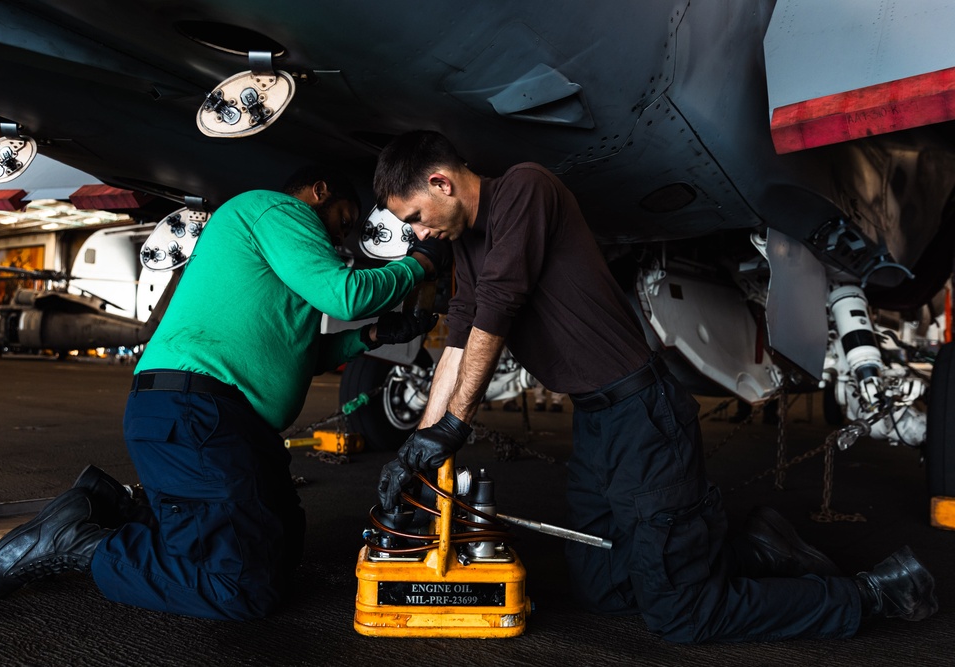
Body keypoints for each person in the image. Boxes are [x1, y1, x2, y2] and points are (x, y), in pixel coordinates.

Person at [372, 130, 938, 644]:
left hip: (644, 417)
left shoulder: (524, 189)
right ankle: (757, 550)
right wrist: (419, 445)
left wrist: (453, 426)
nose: (420, 233)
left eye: (417, 216)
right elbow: (461, 335)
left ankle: (873, 594)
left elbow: (498, 310)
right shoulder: (468, 243)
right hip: (596, 423)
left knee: (683, 615)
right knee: (604, 591)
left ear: (441, 182)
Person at [0, 165, 447, 620]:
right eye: (344, 221)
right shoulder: (273, 211)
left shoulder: (284, 267)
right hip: (196, 413)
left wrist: (371, 336)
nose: (341, 238)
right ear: (318, 192)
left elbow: (299, 356)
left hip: (219, 421)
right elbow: (346, 295)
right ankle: (77, 545)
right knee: (240, 588)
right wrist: (418, 265)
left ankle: (116, 508)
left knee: (281, 551)